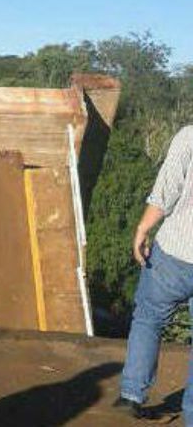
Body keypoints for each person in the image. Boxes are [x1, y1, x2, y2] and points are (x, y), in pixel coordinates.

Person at [114, 125, 193, 422]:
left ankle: (131, 395)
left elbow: (166, 190)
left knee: (148, 319)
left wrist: (142, 228)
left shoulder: (189, 136)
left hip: (174, 253)